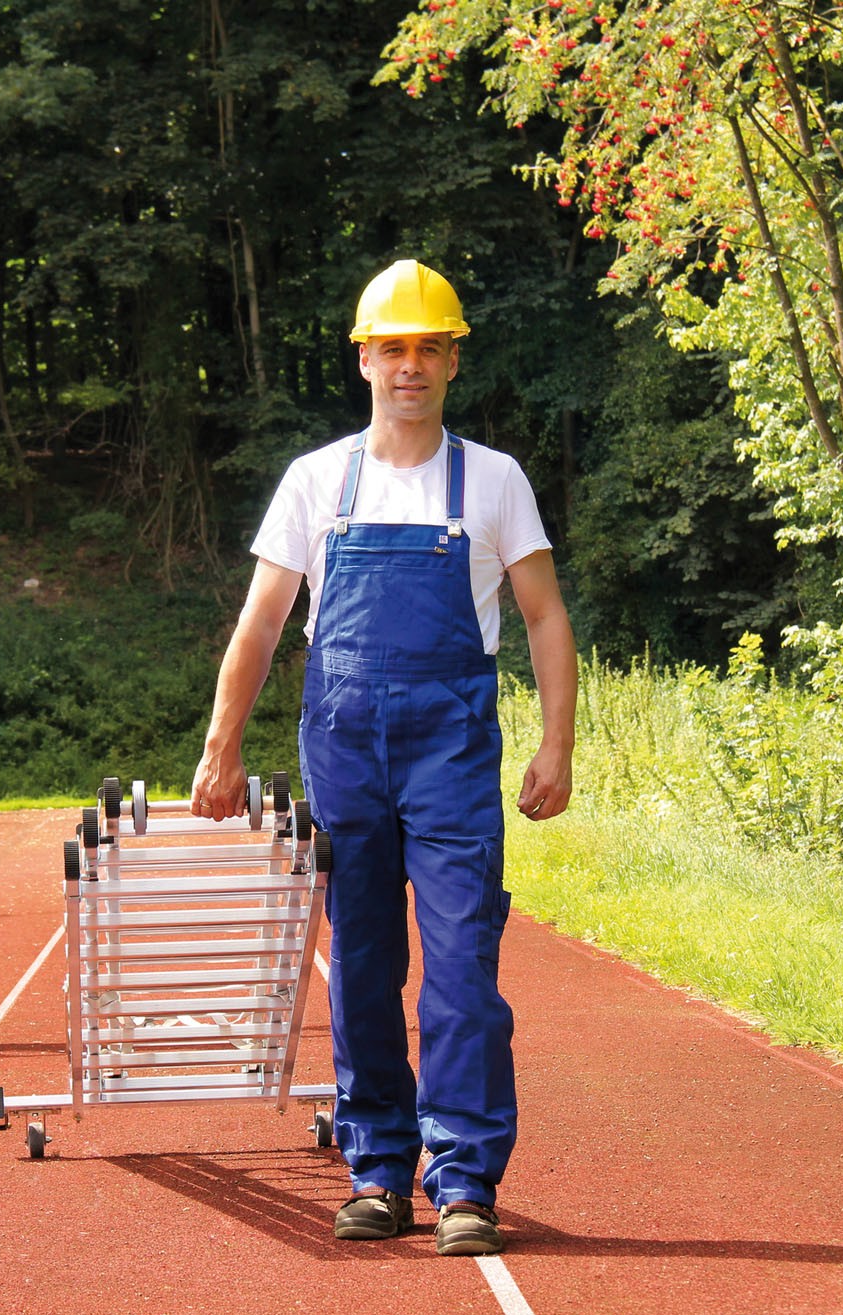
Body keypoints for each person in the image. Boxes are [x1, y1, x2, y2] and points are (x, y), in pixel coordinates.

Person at [190, 260, 577, 1253]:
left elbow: (544, 617)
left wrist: (556, 746)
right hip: (346, 754)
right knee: (362, 966)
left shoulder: (492, 481)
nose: (411, 364)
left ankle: (464, 1184)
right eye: (393, 347)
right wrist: (220, 746)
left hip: (451, 756)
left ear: (453, 360)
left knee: (460, 971)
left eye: (429, 347)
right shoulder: (316, 482)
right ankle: (376, 1171)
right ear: (365, 358)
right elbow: (263, 622)